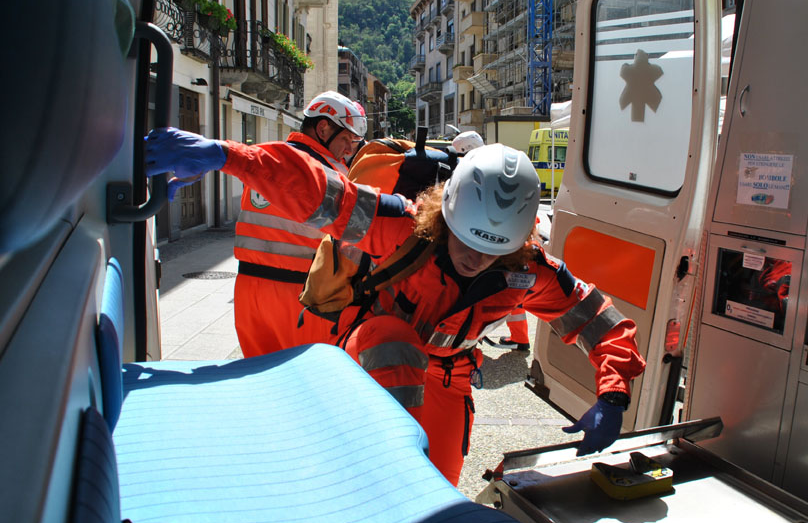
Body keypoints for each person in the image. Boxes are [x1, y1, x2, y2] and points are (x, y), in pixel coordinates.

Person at [145, 132, 646, 487]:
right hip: (372, 353)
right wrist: (228, 156)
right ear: (445, 214)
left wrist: (614, 395)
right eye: (466, 241)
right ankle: (375, 476)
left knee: (440, 486)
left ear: (517, 244)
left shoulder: (530, 269)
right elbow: (319, 191)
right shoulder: (401, 228)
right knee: (394, 358)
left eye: (492, 252)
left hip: (448, 375)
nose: (475, 259)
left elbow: (599, 321)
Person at [165, 91, 366, 358]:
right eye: (346, 139)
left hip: (250, 293)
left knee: (260, 377)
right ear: (323, 127)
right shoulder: (333, 174)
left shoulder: (265, 154)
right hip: (303, 298)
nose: (350, 149)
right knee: (306, 386)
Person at [449, 131, 531, 351]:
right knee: (513, 295)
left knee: (511, 294)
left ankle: (520, 338)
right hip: (514, 245)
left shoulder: (471, 175)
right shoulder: (497, 167)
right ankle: (520, 338)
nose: (476, 259)